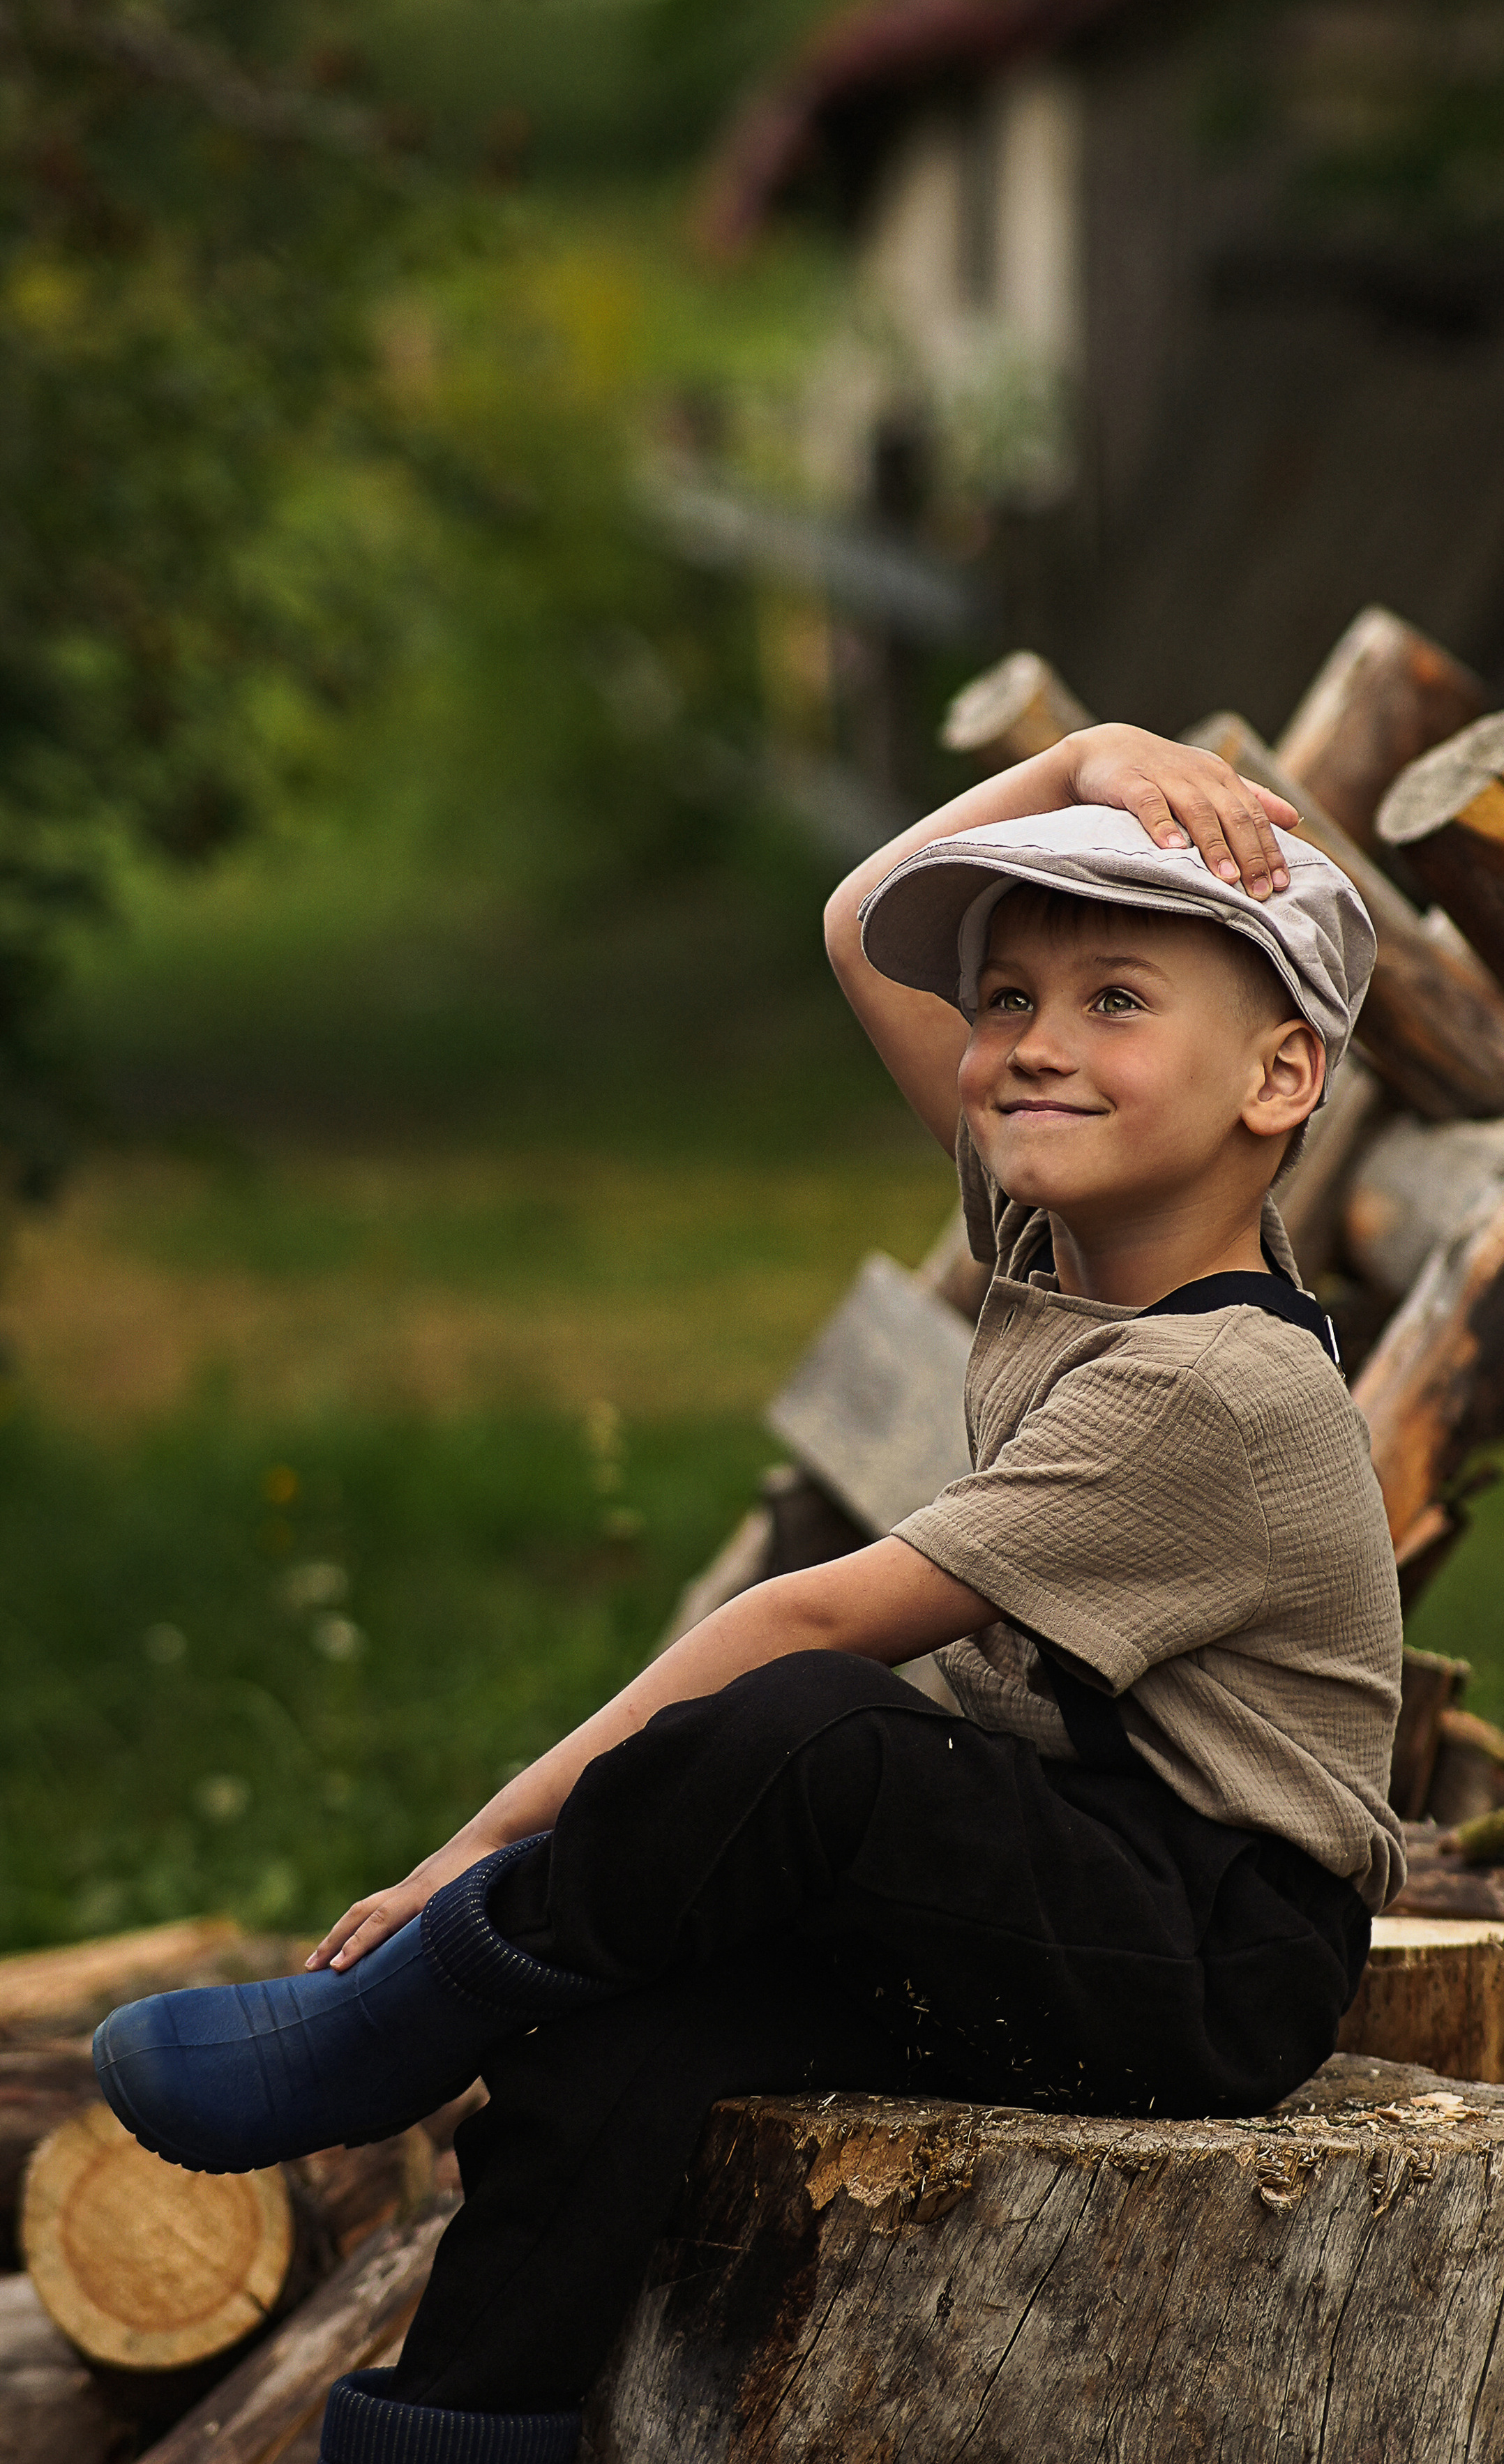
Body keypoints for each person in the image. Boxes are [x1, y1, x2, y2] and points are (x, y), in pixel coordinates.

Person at [92, 723, 1404, 2464]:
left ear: (1279, 1080)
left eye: (1110, 1002)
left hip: (1206, 1950)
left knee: (810, 1727)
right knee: (625, 2032)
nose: (1023, 1047)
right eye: (1004, 1002)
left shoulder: (1213, 1389)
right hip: (1047, 1883)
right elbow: (864, 913)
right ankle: (451, 2428)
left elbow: (797, 1631)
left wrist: (466, 1862)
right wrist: (1073, 761)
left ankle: (393, 2027)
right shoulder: (1059, 1248)